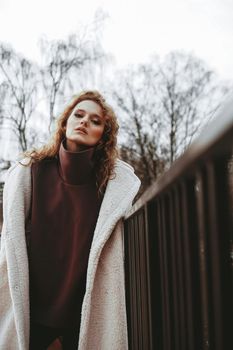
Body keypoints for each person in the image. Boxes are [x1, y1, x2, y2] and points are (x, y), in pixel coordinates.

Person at [0, 90, 141, 350]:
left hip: (82, 320)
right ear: (65, 123)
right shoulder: (31, 172)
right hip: (30, 314)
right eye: (79, 114)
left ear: (103, 136)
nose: (85, 121)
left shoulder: (110, 186)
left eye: (96, 121)